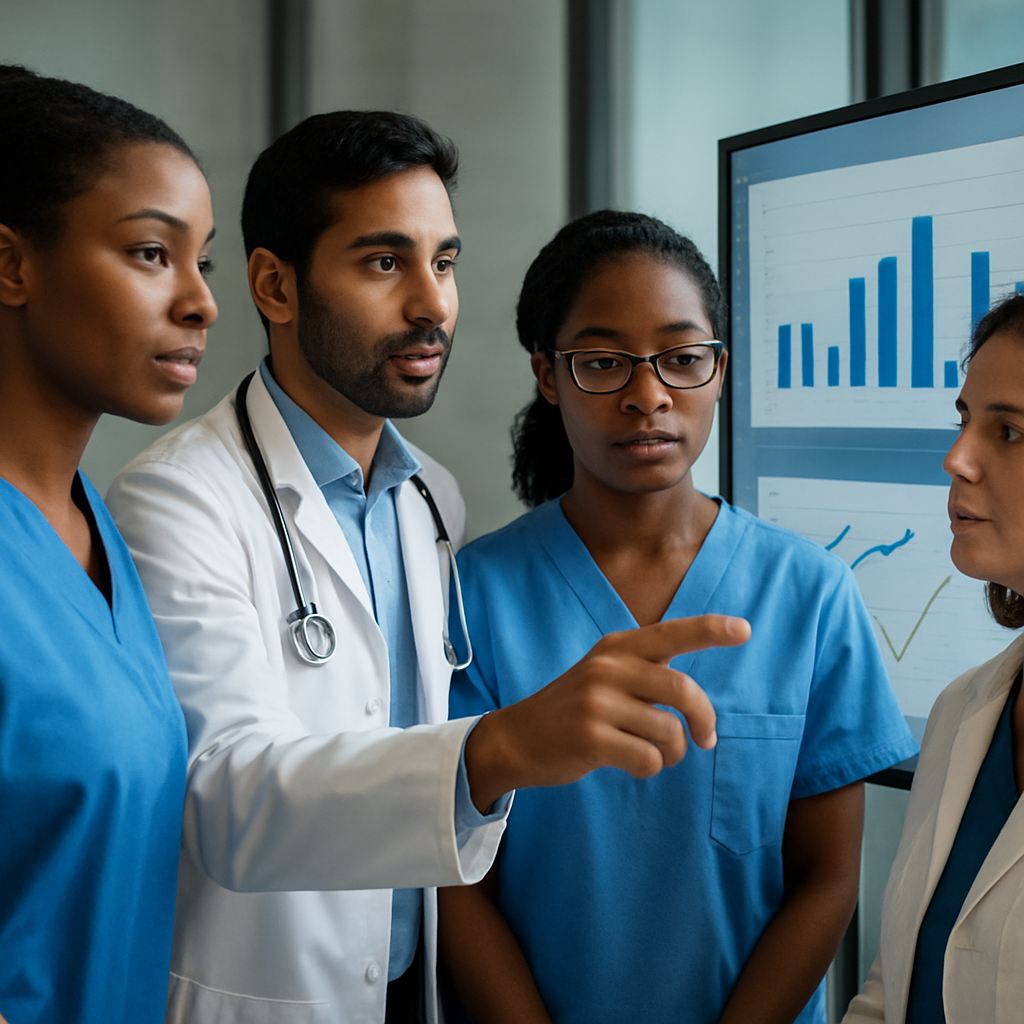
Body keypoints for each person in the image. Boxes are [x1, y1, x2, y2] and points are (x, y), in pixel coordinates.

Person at [106, 112, 748, 1024]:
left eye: (443, 263)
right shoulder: (176, 500)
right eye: (384, 263)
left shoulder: (429, 500)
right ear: (274, 285)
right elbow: (227, 801)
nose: (432, 304)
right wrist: (502, 747)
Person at [439, 210, 918, 1024]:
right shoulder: (471, 595)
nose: (648, 396)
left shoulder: (810, 594)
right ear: (548, 376)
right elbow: (449, 872)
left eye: (682, 358)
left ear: (720, 370)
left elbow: (828, 879)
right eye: (602, 363)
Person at [0, 66, 217, 1024]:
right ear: (12, 265)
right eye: (149, 253)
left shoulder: (93, 528)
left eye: (202, 259)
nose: (202, 302)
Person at [843, 292, 1024, 1024]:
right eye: (965, 421)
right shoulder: (962, 711)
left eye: (1009, 431)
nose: (956, 458)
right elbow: (893, 993)